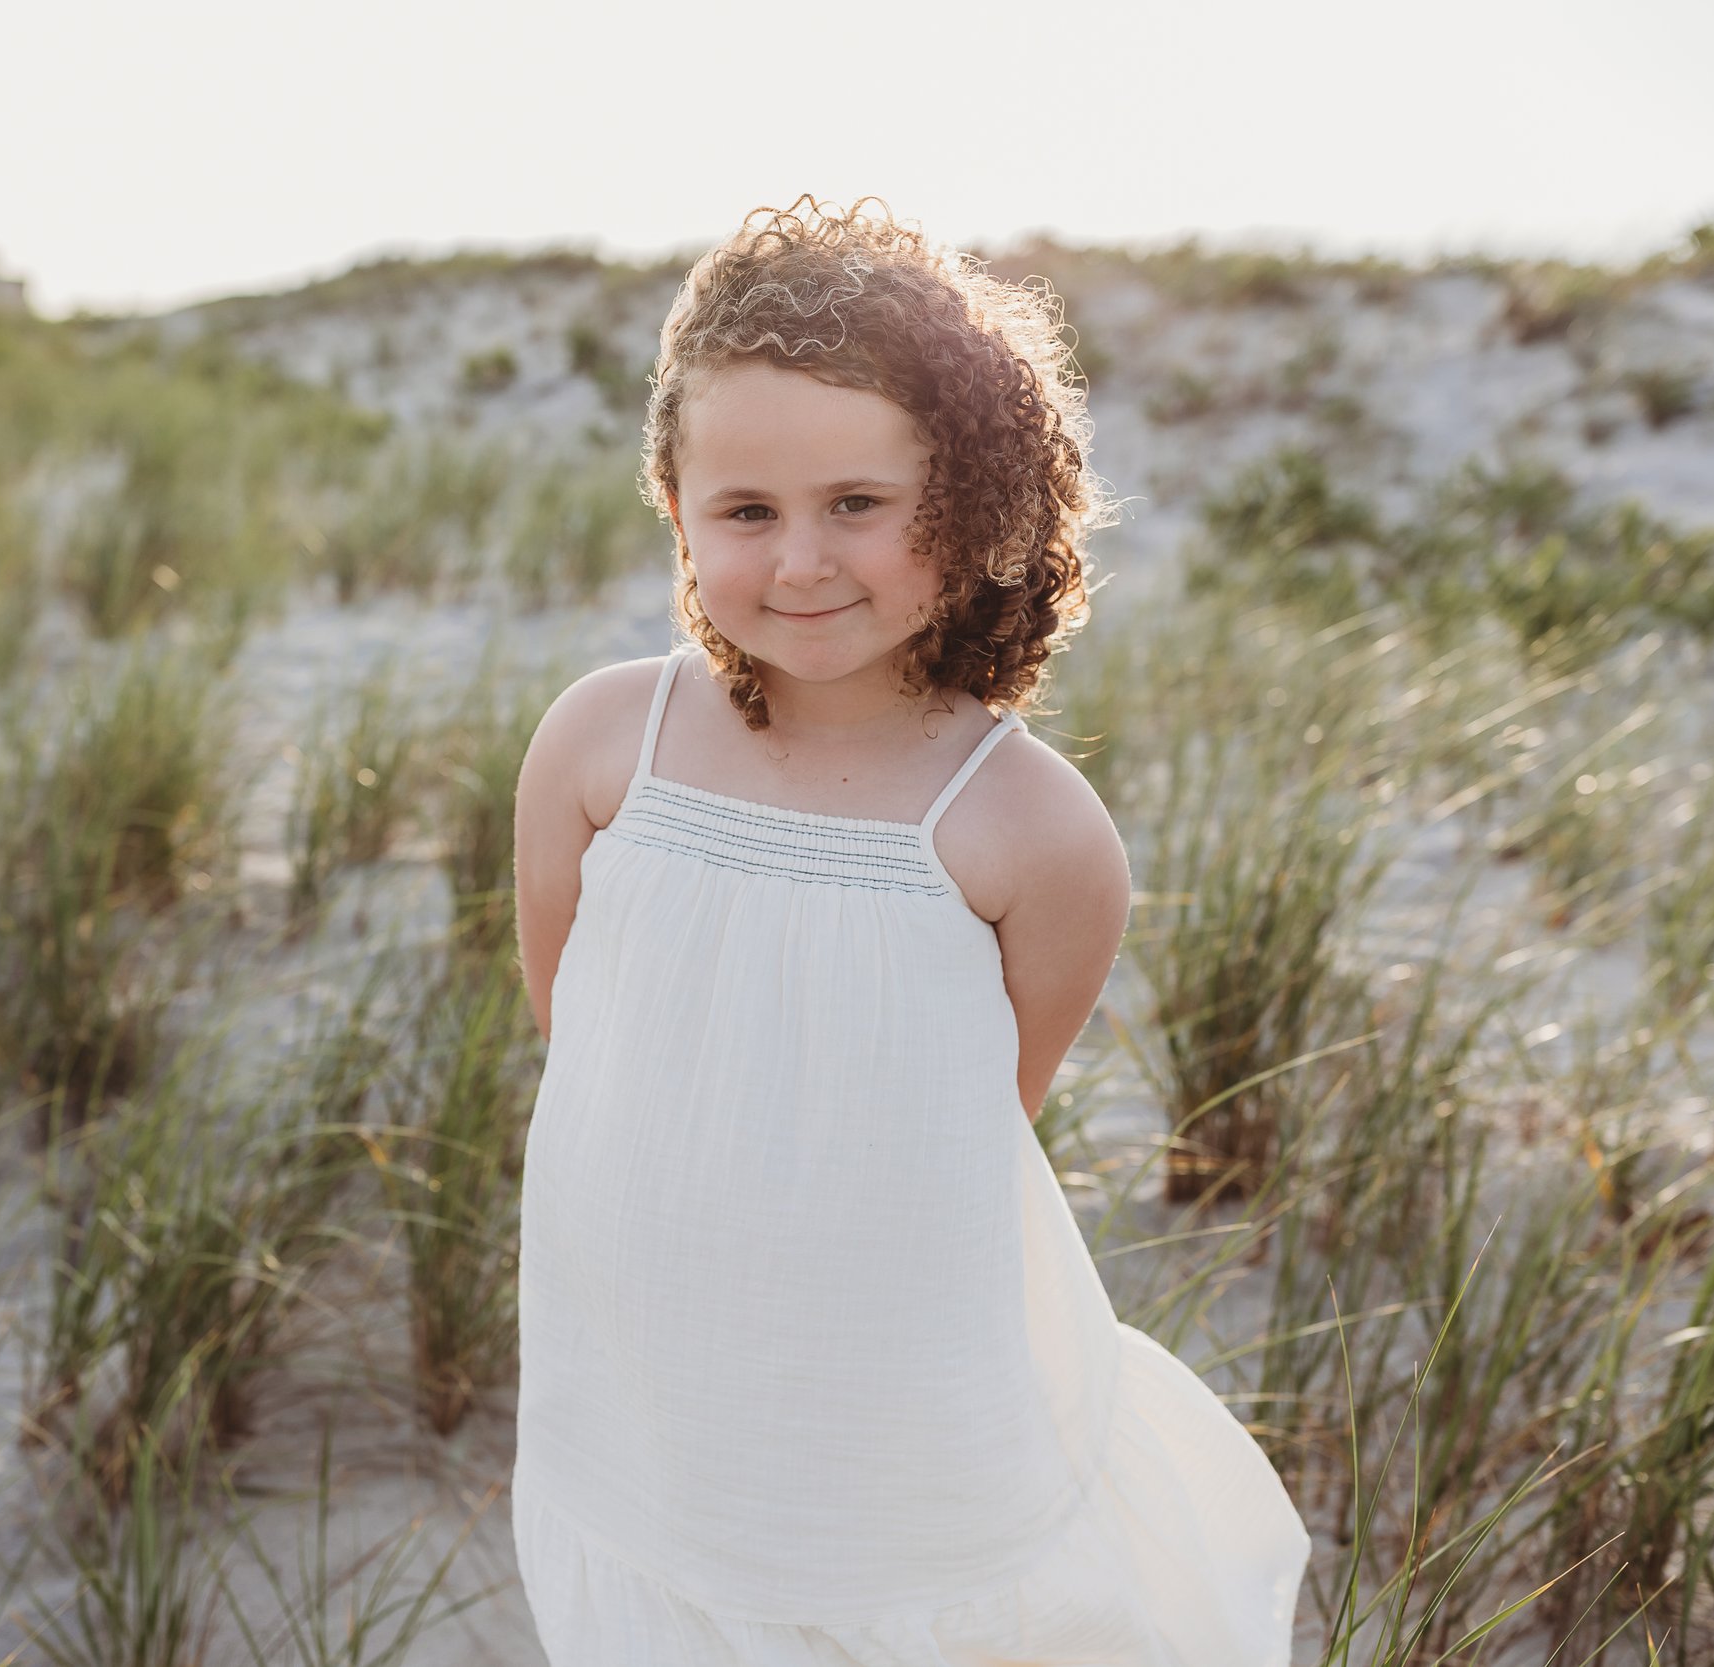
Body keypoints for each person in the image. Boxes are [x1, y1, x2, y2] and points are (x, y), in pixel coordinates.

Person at [508, 195, 1312, 1665]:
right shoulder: (600, 744)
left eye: (858, 506)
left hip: (880, 1392)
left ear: (973, 508)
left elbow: (975, 1126)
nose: (801, 561)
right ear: (676, 506)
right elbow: (582, 1029)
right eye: (746, 511)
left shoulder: (1027, 830)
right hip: (634, 1365)